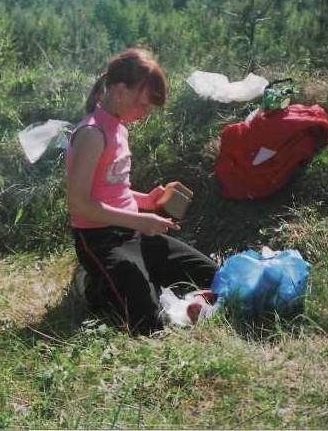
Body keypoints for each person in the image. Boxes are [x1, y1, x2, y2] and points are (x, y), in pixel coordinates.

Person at [66, 48, 217, 334]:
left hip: (134, 232)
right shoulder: (91, 134)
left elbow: (111, 189)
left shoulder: (119, 129)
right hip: (100, 240)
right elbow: (79, 204)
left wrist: (146, 200)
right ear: (121, 91)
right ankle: (90, 284)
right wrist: (142, 220)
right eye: (143, 104)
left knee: (214, 276)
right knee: (147, 322)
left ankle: (140, 276)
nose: (145, 112)